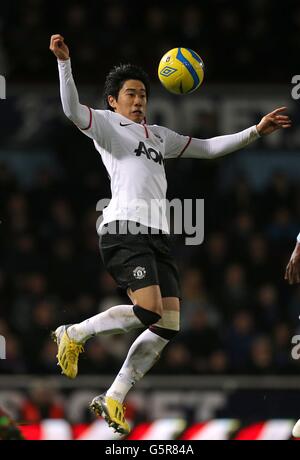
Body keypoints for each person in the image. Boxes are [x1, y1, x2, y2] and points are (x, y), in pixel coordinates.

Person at [49, 34, 291, 435]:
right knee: (148, 310)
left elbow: (210, 148)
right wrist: (64, 64)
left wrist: (255, 131)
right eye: (131, 94)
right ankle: (73, 333)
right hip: (124, 228)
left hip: (158, 235)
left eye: (143, 93)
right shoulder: (109, 126)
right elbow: (72, 110)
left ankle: (113, 396)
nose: (139, 100)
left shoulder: (159, 136)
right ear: (114, 101)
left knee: (168, 324)